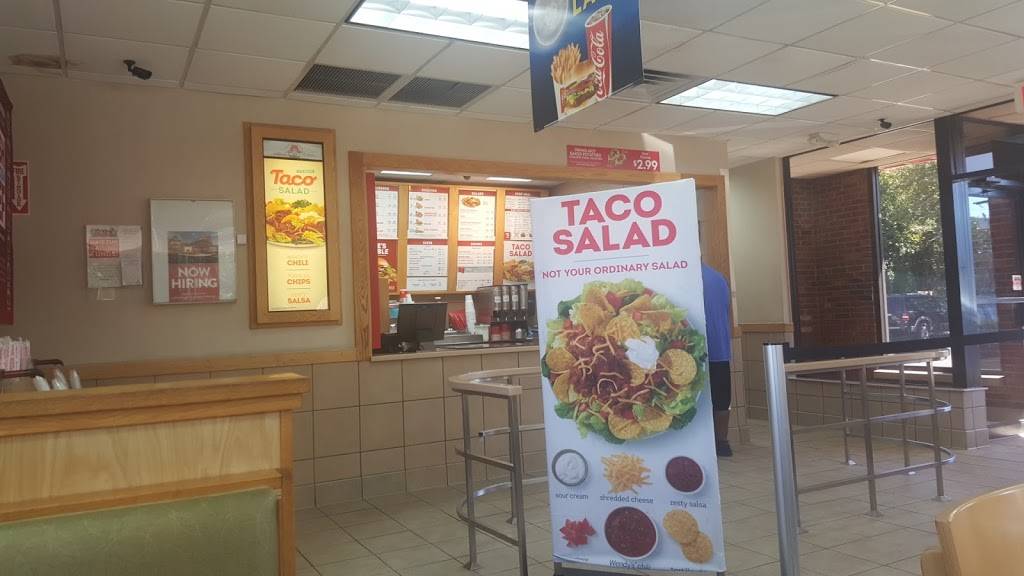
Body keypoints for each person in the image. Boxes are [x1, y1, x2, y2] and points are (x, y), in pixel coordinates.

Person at [702, 262, 733, 457]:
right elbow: (727, 312)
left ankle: (704, 444)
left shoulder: (683, 276)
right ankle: (722, 443)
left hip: (695, 350)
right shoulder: (719, 278)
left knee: (698, 400)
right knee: (722, 399)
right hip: (720, 348)